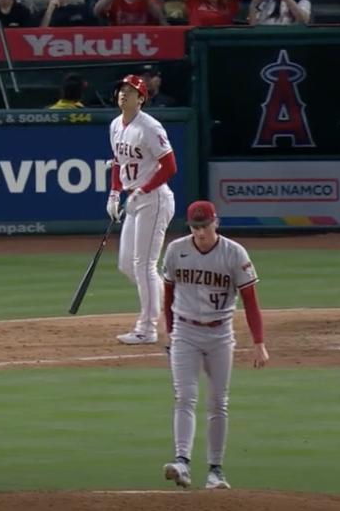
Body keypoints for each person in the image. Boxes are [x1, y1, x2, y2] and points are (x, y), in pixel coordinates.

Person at [160, 199, 269, 489]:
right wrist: (169, 331)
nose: (200, 233)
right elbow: (167, 296)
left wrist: (259, 342)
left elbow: (250, 302)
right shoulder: (175, 250)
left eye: (205, 226)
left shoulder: (234, 254)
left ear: (215, 222)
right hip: (185, 331)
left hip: (220, 334)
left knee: (218, 402)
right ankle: (181, 462)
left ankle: (215, 471)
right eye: (195, 227)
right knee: (184, 396)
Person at [106, 74, 177, 345]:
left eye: (130, 90)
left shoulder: (150, 127)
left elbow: (170, 167)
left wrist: (142, 190)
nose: (124, 94)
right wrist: (114, 194)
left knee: (144, 265)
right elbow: (117, 161)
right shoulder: (115, 125)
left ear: (141, 98)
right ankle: (170, 304)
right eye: (121, 90)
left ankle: (146, 329)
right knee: (127, 264)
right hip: (134, 200)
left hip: (154, 200)